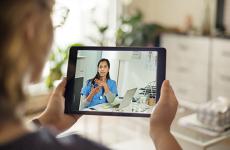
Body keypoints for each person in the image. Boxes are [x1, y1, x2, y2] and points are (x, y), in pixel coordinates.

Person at [0, 0, 182, 150]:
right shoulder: (89, 83)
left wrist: (48, 121)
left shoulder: (111, 84)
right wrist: (161, 131)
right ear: (30, 29)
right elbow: (85, 102)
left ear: (108, 69)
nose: (102, 69)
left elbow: (113, 101)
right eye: (53, 19)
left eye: (105, 67)